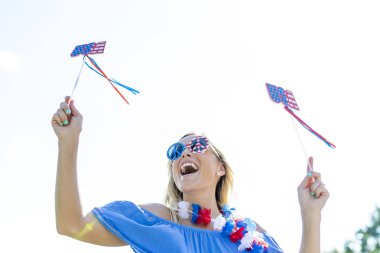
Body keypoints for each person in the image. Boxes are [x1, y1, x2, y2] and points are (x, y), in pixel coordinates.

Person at [52, 96, 329, 253]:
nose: (184, 154)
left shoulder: (251, 234)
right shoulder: (154, 219)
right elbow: (71, 225)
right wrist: (69, 142)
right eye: (176, 151)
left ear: (221, 167)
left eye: (197, 146)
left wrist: (311, 216)